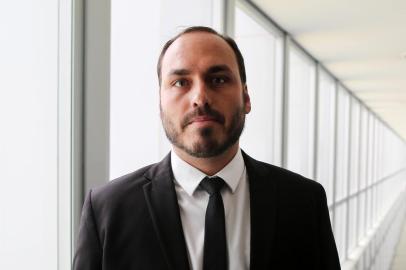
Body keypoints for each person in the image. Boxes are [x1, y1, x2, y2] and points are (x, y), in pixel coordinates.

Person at [73, 26, 341, 270]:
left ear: (246, 98)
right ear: (160, 103)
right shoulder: (108, 209)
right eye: (180, 82)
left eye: (219, 79)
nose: (200, 97)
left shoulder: (304, 202)